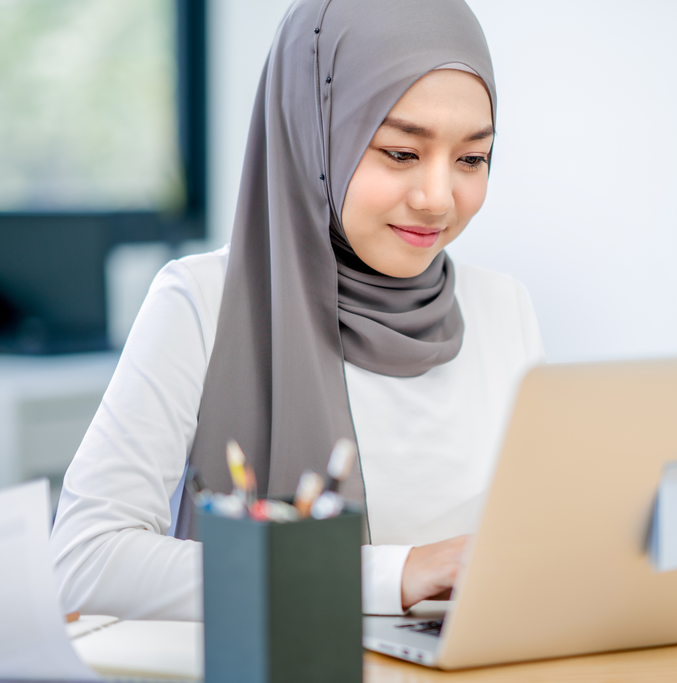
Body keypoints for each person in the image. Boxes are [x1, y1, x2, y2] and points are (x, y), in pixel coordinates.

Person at [49, 0, 543, 621]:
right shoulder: (201, 301)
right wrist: (395, 575)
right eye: (399, 152)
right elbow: (88, 561)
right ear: (314, 134)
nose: (438, 198)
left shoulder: (504, 308)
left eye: (472, 158)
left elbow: (536, 547)